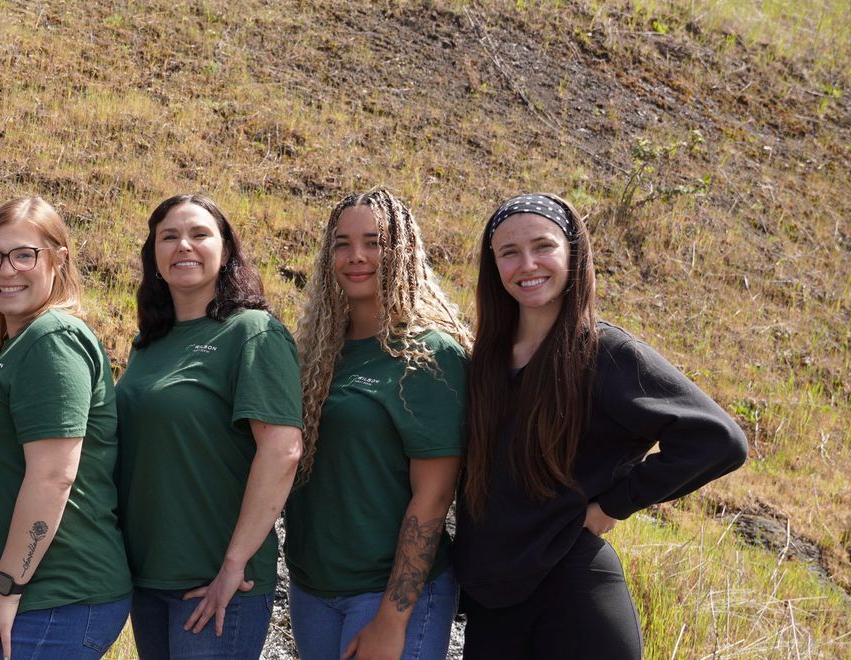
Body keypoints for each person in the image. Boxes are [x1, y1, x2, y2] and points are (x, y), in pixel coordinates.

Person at [453, 193, 747, 659]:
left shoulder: (604, 352)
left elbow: (718, 440)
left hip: (574, 591)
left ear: (573, 253)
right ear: (494, 265)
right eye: (509, 252)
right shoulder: (485, 360)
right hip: (495, 603)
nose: (527, 263)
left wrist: (614, 503)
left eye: (543, 246)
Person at [116, 195, 303, 659]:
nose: (184, 245)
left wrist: (233, 567)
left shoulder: (251, 332)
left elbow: (282, 451)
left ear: (226, 251)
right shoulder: (147, 344)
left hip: (215, 585)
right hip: (148, 577)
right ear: (154, 257)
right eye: (169, 236)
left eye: (200, 234)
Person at [284, 189, 467, 660]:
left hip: (386, 595)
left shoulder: (426, 354)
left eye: (374, 242)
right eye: (342, 244)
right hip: (312, 589)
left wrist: (392, 618)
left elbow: (435, 494)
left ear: (402, 250)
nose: (356, 256)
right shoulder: (319, 352)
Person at [0, 197, 131, 660]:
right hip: (40, 598)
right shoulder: (16, 343)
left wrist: (6, 589)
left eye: (24, 254)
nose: (6, 269)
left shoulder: (52, 339)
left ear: (58, 259)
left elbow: (54, 476)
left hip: (56, 597)